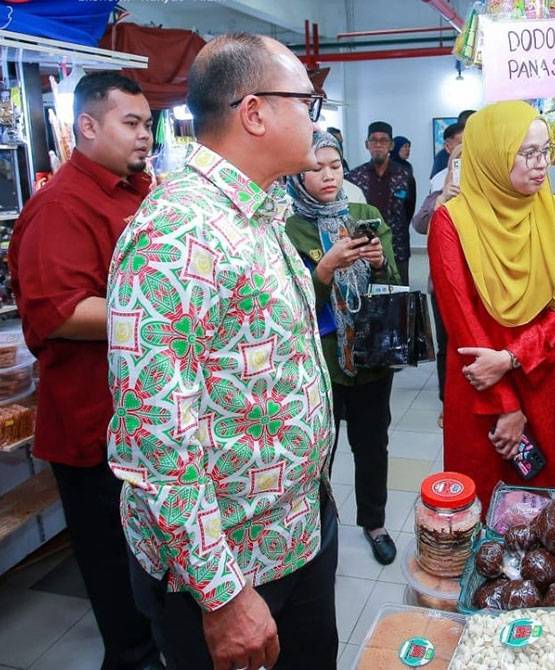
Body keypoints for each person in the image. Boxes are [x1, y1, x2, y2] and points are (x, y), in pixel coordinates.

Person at [106, 33, 338, 669]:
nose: (316, 120)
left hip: (294, 529)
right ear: (255, 111)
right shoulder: (176, 231)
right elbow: (157, 436)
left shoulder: (256, 211)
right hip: (230, 568)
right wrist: (222, 594)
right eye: (306, 102)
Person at [8, 72, 162, 670]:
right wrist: (169, 310)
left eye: (148, 123)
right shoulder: (62, 206)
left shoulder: (133, 192)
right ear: (87, 127)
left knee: (152, 574)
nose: (145, 136)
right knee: (120, 592)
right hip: (95, 432)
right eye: (131, 123)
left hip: (143, 423)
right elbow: (64, 311)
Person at [428, 101, 555, 510]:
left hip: (541, 378)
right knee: (484, 508)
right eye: (527, 153)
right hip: (480, 387)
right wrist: (507, 406)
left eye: (545, 151)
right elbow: (463, 324)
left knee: (553, 513)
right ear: (494, 155)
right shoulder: (452, 223)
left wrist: (513, 357)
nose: (540, 165)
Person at [285, 130, 401, 566]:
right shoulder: (288, 226)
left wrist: (378, 262)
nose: (329, 176)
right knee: (320, 449)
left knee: (373, 445)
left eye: (335, 166)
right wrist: (326, 268)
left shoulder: (363, 212)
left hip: (372, 355)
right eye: (316, 168)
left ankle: (375, 523)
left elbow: (391, 277)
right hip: (321, 362)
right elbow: (291, 305)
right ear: (297, 173)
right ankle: (318, 531)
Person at [413, 144, 463, 427]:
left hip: (479, 290)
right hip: (442, 287)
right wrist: (443, 196)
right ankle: (448, 402)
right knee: (447, 346)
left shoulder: (489, 196)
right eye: (458, 164)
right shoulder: (439, 195)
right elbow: (419, 224)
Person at [348, 121, 414, 284]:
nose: (378, 145)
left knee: (399, 298)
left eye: (383, 140)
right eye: (373, 140)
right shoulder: (355, 177)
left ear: (391, 145)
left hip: (398, 248)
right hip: (364, 250)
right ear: (367, 144)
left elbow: (409, 210)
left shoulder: (404, 176)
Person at [391, 135, 417, 227]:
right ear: (397, 147)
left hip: (407, 207)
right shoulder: (390, 166)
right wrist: (403, 196)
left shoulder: (407, 166)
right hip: (395, 211)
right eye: (405, 146)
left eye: (409, 147)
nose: (408, 150)